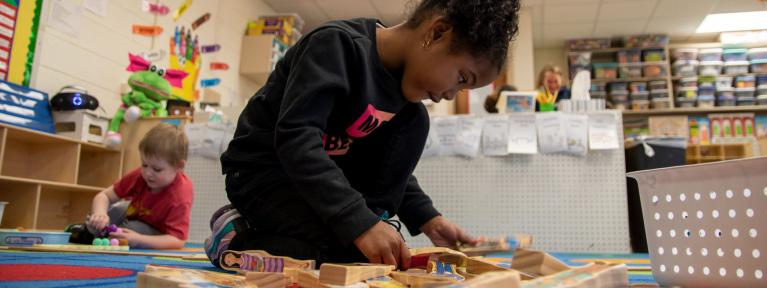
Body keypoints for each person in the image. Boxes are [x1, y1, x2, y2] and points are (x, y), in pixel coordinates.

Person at [205, 0, 520, 270]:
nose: (451, 95)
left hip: (312, 186)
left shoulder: (405, 107)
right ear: (436, 33)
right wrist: (360, 223)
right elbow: (297, 140)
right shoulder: (337, 47)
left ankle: (329, 233)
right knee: (350, 250)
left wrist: (429, 220)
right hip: (263, 173)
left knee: (373, 250)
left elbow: (393, 173)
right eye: (461, 78)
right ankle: (238, 235)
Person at [69, 123, 193, 249]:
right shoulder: (141, 175)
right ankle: (93, 230)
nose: (148, 173)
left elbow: (178, 240)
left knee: (130, 228)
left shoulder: (180, 196)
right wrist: (100, 214)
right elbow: (104, 196)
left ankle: (98, 234)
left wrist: (139, 240)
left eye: (157, 169)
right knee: (115, 210)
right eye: (144, 165)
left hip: (157, 235)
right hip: (132, 214)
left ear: (179, 166)